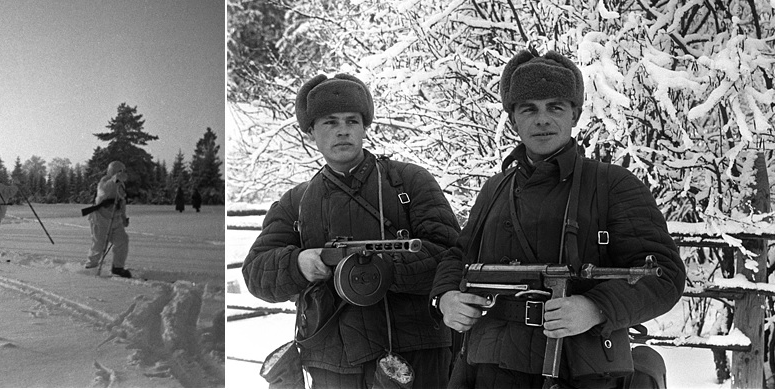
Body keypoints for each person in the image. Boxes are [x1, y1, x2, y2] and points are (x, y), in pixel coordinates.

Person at [429, 49, 686, 388]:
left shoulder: (612, 185)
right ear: (513, 118)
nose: (542, 119)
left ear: (575, 114)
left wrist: (595, 308)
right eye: (529, 109)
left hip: (577, 369)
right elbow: (459, 256)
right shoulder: (496, 188)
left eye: (555, 107)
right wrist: (446, 297)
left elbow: (663, 276)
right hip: (489, 369)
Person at [241, 73, 461, 388]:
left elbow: (450, 255)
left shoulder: (409, 182)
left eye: (352, 121)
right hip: (332, 364)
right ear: (311, 132)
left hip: (413, 359)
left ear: (363, 127)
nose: (343, 130)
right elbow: (256, 273)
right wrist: (299, 264)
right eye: (330, 122)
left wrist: (379, 270)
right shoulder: (296, 202)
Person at [84, 161, 132, 278]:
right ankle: (91, 267)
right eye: (119, 171)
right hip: (100, 219)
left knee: (122, 240)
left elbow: (122, 202)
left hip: (115, 220)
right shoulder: (104, 182)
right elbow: (103, 192)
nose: (122, 173)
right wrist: (115, 180)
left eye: (123, 171)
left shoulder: (121, 185)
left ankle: (118, 267)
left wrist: (123, 217)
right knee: (98, 245)